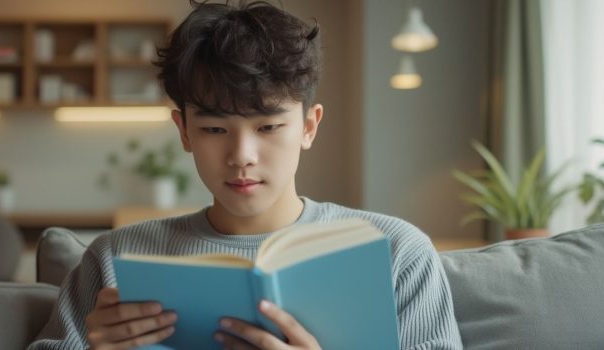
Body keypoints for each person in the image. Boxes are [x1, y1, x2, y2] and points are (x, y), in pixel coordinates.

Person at [28, 1, 463, 349]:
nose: (241, 156)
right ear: (184, 132)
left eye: (268, 127)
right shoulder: (115, 259)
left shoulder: (398, 254)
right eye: (215, 129)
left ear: (309, 126)